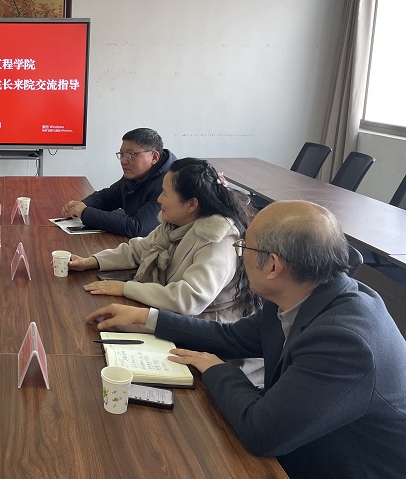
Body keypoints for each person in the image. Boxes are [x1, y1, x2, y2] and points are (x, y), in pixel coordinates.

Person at [86, 200, 406, 479]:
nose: (239, 257)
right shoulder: (302, 292)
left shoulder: (344, 342)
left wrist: (216, 369)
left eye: (243, 248)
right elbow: (232, 337)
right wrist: (146, 318)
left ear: (273, 265)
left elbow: (261, 432)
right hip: (302, 441)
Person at [69, 157, 262, 383]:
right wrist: (92, 261)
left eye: (165, 194)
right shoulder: (176, 224)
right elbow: (139, 249)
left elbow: (188, 299)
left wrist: (125, 288)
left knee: (106, 338)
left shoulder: (217, 237)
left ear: (191, 204)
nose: (159, 199)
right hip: (178, 318)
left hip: (209, 335)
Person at [62, 128, 176, 237]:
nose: (123, 161)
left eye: (130, 155)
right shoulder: (136, 174)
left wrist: (85, 213)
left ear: (154, 157)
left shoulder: (169, 183)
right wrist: (82, 205)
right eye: (121, 154)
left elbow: (138, 228)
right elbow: (108, 197)